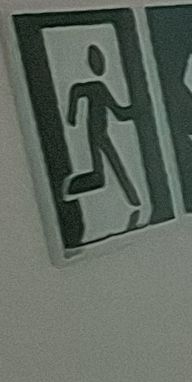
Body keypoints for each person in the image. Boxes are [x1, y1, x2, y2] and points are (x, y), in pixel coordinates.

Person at [59, 34, 152, 238]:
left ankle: (133, 200)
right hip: (96, 133)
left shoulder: (99, 87)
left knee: (101, 174)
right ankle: (133, 199)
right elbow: (76, 90)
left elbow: (117, 112)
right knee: (110, 167)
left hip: (100, 132)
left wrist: (135, 111)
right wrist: (71, 116)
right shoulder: (95, 87)